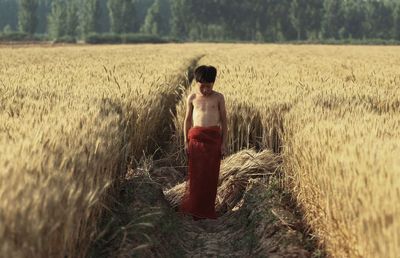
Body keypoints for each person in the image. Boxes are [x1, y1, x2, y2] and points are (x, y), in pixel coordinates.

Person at [179, 65, 228, 221]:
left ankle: (207, 208)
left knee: (211, 176)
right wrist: (186, 142)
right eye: (202, 86)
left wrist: (224, 143)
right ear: (196, 82)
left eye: (209, 86)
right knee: (196, 175)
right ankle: (195, 209)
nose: (206, 89)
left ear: (213, 83)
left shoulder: (219, 97)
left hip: (213, 140)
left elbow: (225, 122)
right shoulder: (192, 98)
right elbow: (187, 121)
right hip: (196, 140)